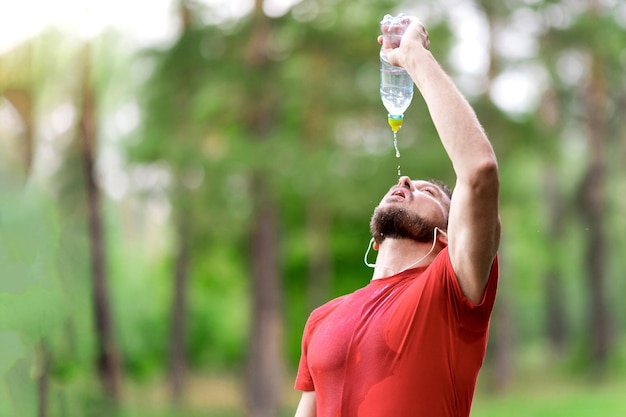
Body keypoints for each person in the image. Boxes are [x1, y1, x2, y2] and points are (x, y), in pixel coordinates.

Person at [293, 16, 501, 417]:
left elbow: (479, 171)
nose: (406, 179)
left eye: (429, 192)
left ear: (447, 235)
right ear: (375, 241)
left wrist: (414, 57)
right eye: (410, 183)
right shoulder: (323, 318)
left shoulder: (450, 292)